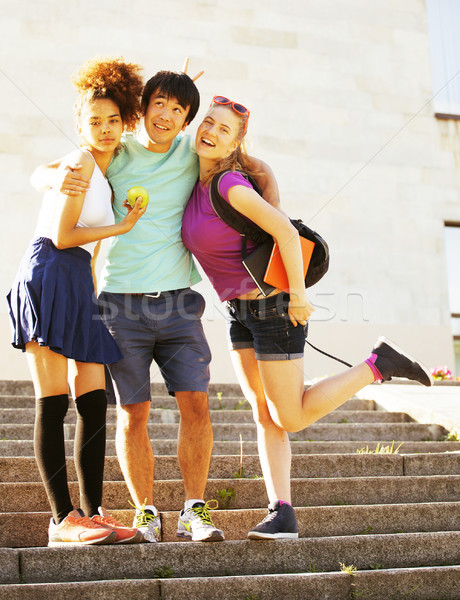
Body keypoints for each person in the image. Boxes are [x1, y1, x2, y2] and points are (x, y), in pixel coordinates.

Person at [31, 65, 281, 543]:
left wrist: (269, 238)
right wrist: (51, 174)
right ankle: (145, 511)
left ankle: (193, 509)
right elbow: (48, 169)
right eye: (159, 104)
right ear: (141, 109)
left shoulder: (194, 154)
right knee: (133, 412)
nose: (166, 115)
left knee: (197, 405)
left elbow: (259, 168)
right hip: (119, 305)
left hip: (179, 303)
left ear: (188, 120)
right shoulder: (115, 153)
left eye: (178, 109)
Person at [181, 95, 434, 540]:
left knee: (290, 416)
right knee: (265, 413)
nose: (211, 132)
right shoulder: (196, 181)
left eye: (224, 130)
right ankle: (282, 512)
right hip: (237, 310)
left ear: (235, 145)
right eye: (209, 122)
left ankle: (378, 365)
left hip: (273, 306)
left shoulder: (227, 184)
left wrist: (298, 296)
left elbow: (284, 229)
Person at [7, 56, 147, 546]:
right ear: (79, 124)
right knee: (53, 400)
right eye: (94, 121)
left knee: (93, 401)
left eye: (113, 120)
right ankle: (61, 519)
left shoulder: (104, 169)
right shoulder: (81, 160)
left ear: (125, 120)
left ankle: (93, 511)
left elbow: (84, 249)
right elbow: (65, 235)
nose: (104, 129)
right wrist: (122, 226)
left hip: (76, 281)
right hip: (47, 271)